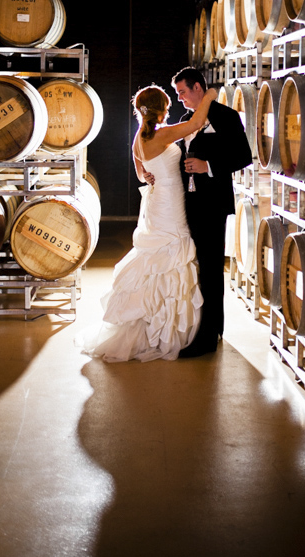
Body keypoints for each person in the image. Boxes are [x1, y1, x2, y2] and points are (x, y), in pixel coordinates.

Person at [76, 83, 217, 362]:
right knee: (172, 253)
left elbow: (142, 176)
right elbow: (197, 122)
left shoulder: (139, 139)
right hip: (170, 202)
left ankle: (152, 320)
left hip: (156, 201)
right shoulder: (163, 134)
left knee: (155, 257)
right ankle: (167, 329)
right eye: (167, 106)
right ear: (161, 109)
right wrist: (211, 95)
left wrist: (153, 176)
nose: (170, 109)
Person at [172, 67, 253, 357]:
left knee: (210, 269)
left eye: (182, 92)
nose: (180, 98)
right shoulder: (185, 121)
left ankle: (207, 338)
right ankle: (209, 327)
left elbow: (244, 156)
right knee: (198, 267)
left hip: (213, 204)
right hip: (189, 204)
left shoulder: (226, 116)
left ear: (197, 88)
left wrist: (208, 166)